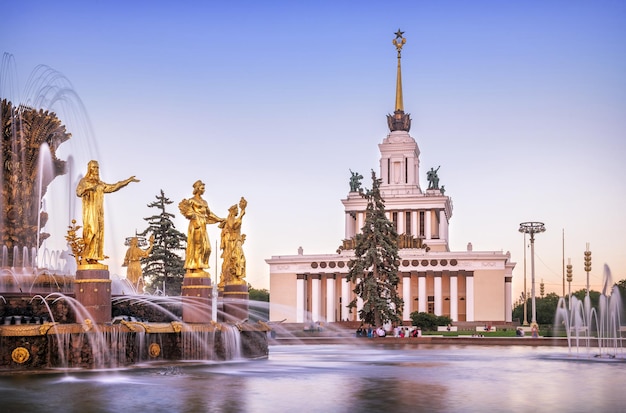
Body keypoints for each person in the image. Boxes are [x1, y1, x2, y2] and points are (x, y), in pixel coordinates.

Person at [76, 160, 139, 264]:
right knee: (91, 231)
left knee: (99, 233)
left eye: (97, 168)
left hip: (99, 213)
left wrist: (127, 181)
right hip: (90, 212)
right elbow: (78, 192)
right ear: (89, 169)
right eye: (94, 167)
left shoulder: (100, 183)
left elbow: (113, 187)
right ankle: (85, 256)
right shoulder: (84, 181)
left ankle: (93, 258)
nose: (96, 170)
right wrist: (89, 188)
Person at [178, 180, 224, 274]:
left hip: (203, 224)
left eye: (204, 188)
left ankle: (201, 265)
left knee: (207, 248)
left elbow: (209, 213)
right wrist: (193, 216)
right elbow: (187, 212)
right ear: (197, 188)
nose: (204, 190)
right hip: (195, 225)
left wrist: (219, 219)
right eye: (202, 188)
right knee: (198, 246)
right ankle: (196, 267)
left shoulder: (204, 202)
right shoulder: (192, 200)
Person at [218, 197, 247, 287]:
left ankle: (237, 276)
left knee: (240, 259)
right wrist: (242, 212)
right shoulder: (230, 218)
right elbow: (233, 226)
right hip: (233, 242)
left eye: (238, 209)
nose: (237, 211)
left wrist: (241, 239)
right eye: (236, 209)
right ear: (232, 211)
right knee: (237, 258)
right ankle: (234, 276)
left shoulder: (233, 218)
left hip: (237, 240)